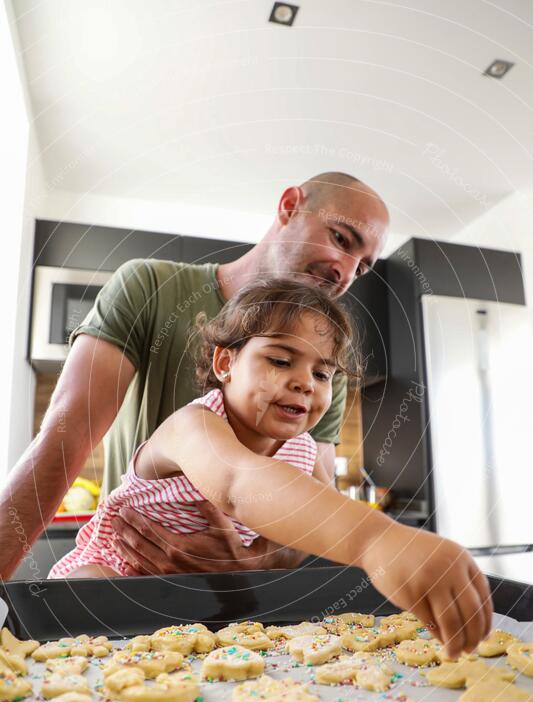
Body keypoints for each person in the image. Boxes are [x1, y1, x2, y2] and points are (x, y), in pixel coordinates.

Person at [46, 279, 492, 658]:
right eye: (280, 360)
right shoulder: (193, 425)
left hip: (195, 600)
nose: (304, 381)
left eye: (322, 374)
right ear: (226, 363)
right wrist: (378, 539)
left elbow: (320, 514)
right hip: (116, 570)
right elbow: (239, 482)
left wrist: (392, 558)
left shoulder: (299, 449)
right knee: (87, 599)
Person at [0, 172, 390, 580]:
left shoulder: (321, 372)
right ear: (290, 206)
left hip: (228, 596)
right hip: (123, 567)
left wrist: (253, 562)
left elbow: (313, 508)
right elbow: (67, 432)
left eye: (362, 268)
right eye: (341, 239)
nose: (345, 272)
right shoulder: (149, 287)